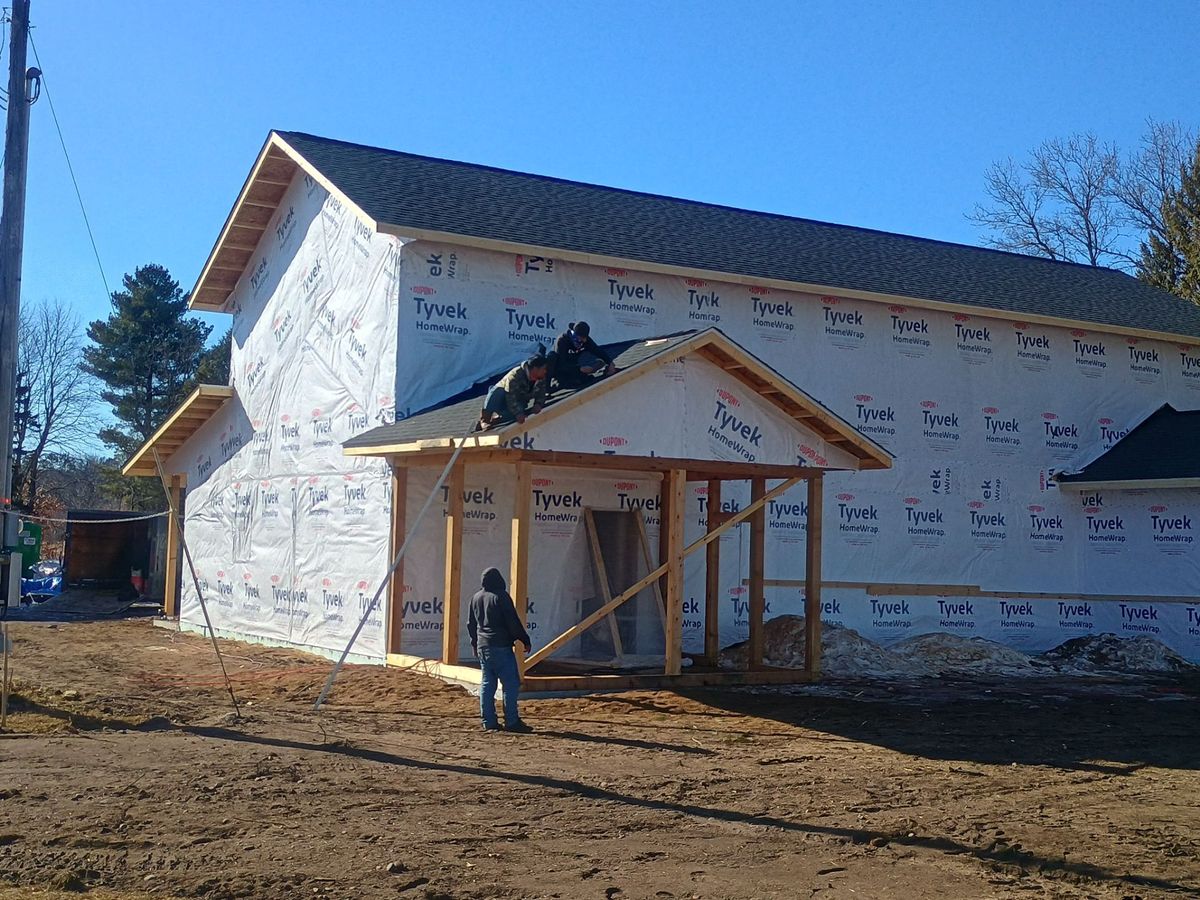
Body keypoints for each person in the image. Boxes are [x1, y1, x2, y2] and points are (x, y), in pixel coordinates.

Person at [468, 567, 533, 733]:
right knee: (511, 684)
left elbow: (471, 624)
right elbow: (512, 621)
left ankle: (488, 721)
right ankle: (512, 721)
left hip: (483, 646)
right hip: (501, 646)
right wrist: (524, 639)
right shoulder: (501, 597)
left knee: (487, 684)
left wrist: (474, 643)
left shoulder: (476, 597)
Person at [477, 352, 549, 430]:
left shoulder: (540, 378)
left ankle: (497, 420)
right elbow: (510, 396)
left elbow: (541, 393)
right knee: (498, 392)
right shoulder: (515, 375)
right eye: (543, 369)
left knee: (519, 413)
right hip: (505, 397)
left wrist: (538, 404)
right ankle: (485, 420)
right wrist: (517, 413)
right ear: (535, 368)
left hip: (518, 401)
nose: (545, 371)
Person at [549, 321, 617, 391]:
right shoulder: (562, 341)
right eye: (580, 338)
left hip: (574, 367)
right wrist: (580, 369)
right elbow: (561, 365)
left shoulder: (585, 340)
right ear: (574, 335)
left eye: (584, 338)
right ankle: (551, 387)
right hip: (560, 370)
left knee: (586, 379)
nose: (583, 341)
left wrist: (609, 362)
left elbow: (597, 350)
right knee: (553, 359)